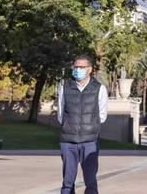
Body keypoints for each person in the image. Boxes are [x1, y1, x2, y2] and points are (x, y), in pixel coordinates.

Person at [57, 55, 108, 194]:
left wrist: (89, 127)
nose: (78, 69)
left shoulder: (99, 89)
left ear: (90, 69)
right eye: (76, 67)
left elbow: (102, 116)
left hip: (89, 142)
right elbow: (61, 114)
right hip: (68, 142)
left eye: (81, 67)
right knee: (67, 183)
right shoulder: (65, 87)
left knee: (91, 182)